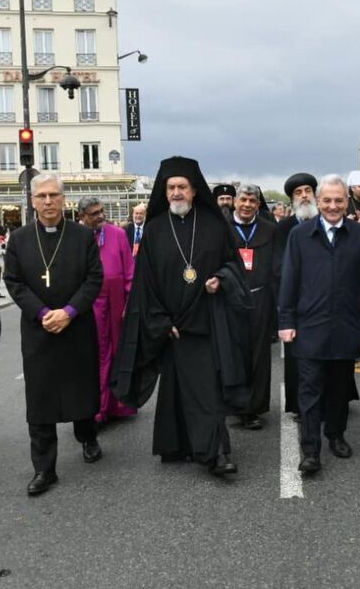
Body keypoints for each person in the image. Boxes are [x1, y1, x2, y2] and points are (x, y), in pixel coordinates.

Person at [115, 157, 251, 477]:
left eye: (182, 187)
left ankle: (215, 452)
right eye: (171, 187)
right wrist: (161, 321)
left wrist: (221, 278)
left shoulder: (215, 225)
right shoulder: (155, 229)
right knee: (176, 384)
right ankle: (175, 443)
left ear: (193, 191)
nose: (176, 192)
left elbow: (233, 266)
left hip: (207, 320)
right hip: (171, 324)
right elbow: (145, 283)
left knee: (207, 388)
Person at [4, 175, 105, 496]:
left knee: (81, 387)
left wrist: (69, 312)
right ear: (32, 200)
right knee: (40, 397)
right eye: (41, 196)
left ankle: (87, 436)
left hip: (76, 327)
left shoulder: (82, 236)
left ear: (64, 199)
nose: (48, 201)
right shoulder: (18, 239)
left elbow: (94, 279)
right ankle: (44, 469)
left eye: (53, 195)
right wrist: (44, 313)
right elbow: (14, 282)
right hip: (39, 330)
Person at [278, 174, 360, 475]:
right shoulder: (300, 236)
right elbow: (289, 281)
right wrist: (285, 320)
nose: (333, 206)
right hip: (309, 325)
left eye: (338, 200)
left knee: (338, 387)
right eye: (327, 200)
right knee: (309, 390)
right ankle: (310, 450)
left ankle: (336, 434)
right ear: (318, 202)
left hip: (347, 324)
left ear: (346, 201)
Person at [77, 199, 138, 424]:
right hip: (89, 305)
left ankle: (118, 405)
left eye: (101, 211)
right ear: (82, 216)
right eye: (94, 214)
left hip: (116, 303)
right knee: (94, 358)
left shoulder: (118, 234)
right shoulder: (76, 237)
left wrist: (130, 303)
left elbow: (130, 271)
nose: (101, 216)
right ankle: (96, 409)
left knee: (117, 355)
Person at [228, 184, 281, 430]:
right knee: (233, 353)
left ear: (258, 205)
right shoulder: (223, 228)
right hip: (230, 300)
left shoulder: (270, 230)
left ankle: (253, 407)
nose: (248, 205)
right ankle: (234, 403)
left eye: (252, 201)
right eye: (244, 200)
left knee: (258, 355)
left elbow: (277, 267)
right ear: (235, 202)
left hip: (261, 300)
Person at [276, 172, 319, 417]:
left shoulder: (327, 220)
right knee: (298, 357)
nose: (304, 196)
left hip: (325, 301)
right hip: (298, 303)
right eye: (298, 193)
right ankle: (298, 404)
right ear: (293, 199)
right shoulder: (285, 227)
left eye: (307, 191)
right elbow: (280, 265)